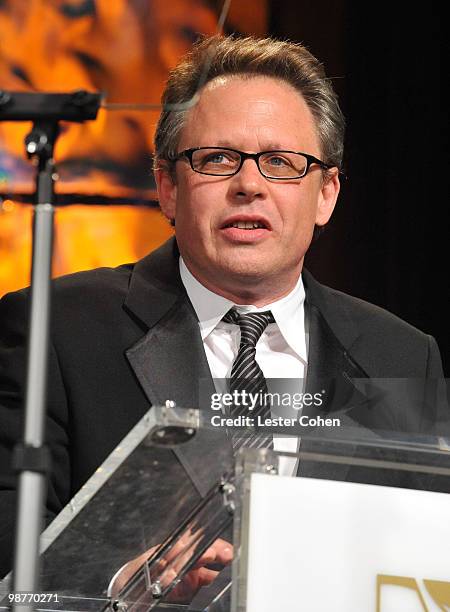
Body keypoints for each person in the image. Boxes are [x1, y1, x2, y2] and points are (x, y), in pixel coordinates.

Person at [0, 35, 447, 589]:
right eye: (218, 159)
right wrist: (123, 585)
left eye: (281, 162)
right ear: (167, 188)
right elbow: (8, 538)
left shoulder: (401, 354)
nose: (249, 186)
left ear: (327, 193)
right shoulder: (56, 331)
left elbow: (421, 554)